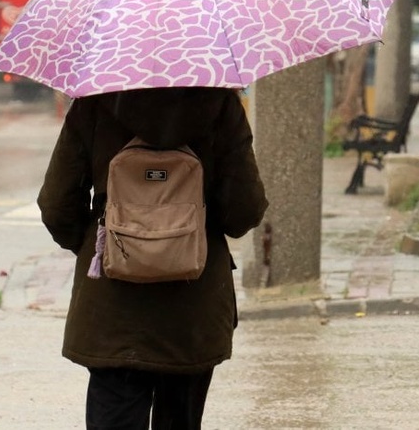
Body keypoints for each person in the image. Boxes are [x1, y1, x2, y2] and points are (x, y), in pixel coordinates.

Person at [37, 87, 269, 429]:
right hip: (193, 308)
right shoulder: (220, 105)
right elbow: (243, 211)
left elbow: (56, 205)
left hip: (112, 309)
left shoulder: (95, 103)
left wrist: (101, 246)